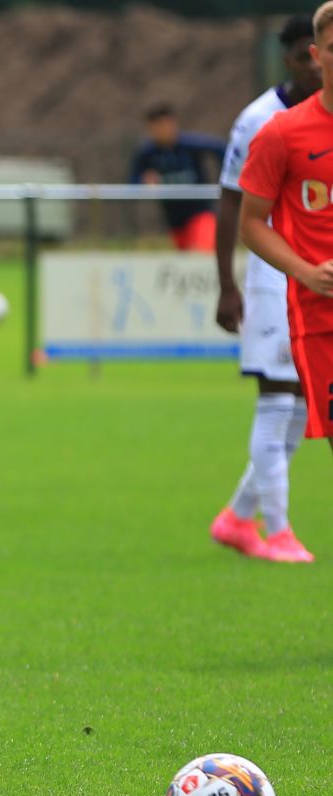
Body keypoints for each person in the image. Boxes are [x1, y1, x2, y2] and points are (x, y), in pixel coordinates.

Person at [210, 14, 320, 563]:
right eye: (305, 54)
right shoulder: (261, 120)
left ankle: (237, 517)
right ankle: (277, 531)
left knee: (301, 407)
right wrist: (226, 285)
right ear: (295, 58)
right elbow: (233, 204)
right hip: (274, 280)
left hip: (316, 286)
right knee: (277, 402)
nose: (313, 64)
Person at [240, 2, 333, 483]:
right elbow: (251, 222)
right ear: (318, 55)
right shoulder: (282, 133)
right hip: (323, 320)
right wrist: (304, 270)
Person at [130, 103, 226, 251]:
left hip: (200, 213)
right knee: (186, 266)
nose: (163, 130)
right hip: (174, 220)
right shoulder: (147, 153)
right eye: (158, 126)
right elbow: (132, 182)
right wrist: (144, 180)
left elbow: (221, 149)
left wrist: (225, 180)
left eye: (166, 124)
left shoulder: (190, 145)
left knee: (201, 254)